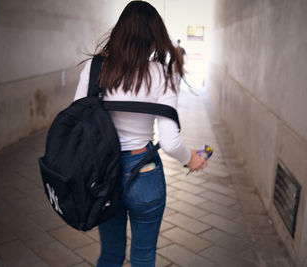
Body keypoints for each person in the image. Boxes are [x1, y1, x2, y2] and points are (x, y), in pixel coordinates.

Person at [73, 1, 207, 266]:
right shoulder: (162, 74)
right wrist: (189, 158)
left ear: (119, 32)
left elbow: (77, 121)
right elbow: (169, 142)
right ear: (154, 36)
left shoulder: (96, 68)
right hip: (143, 172)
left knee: (110, 253)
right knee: (144, 255)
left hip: (102, 172)